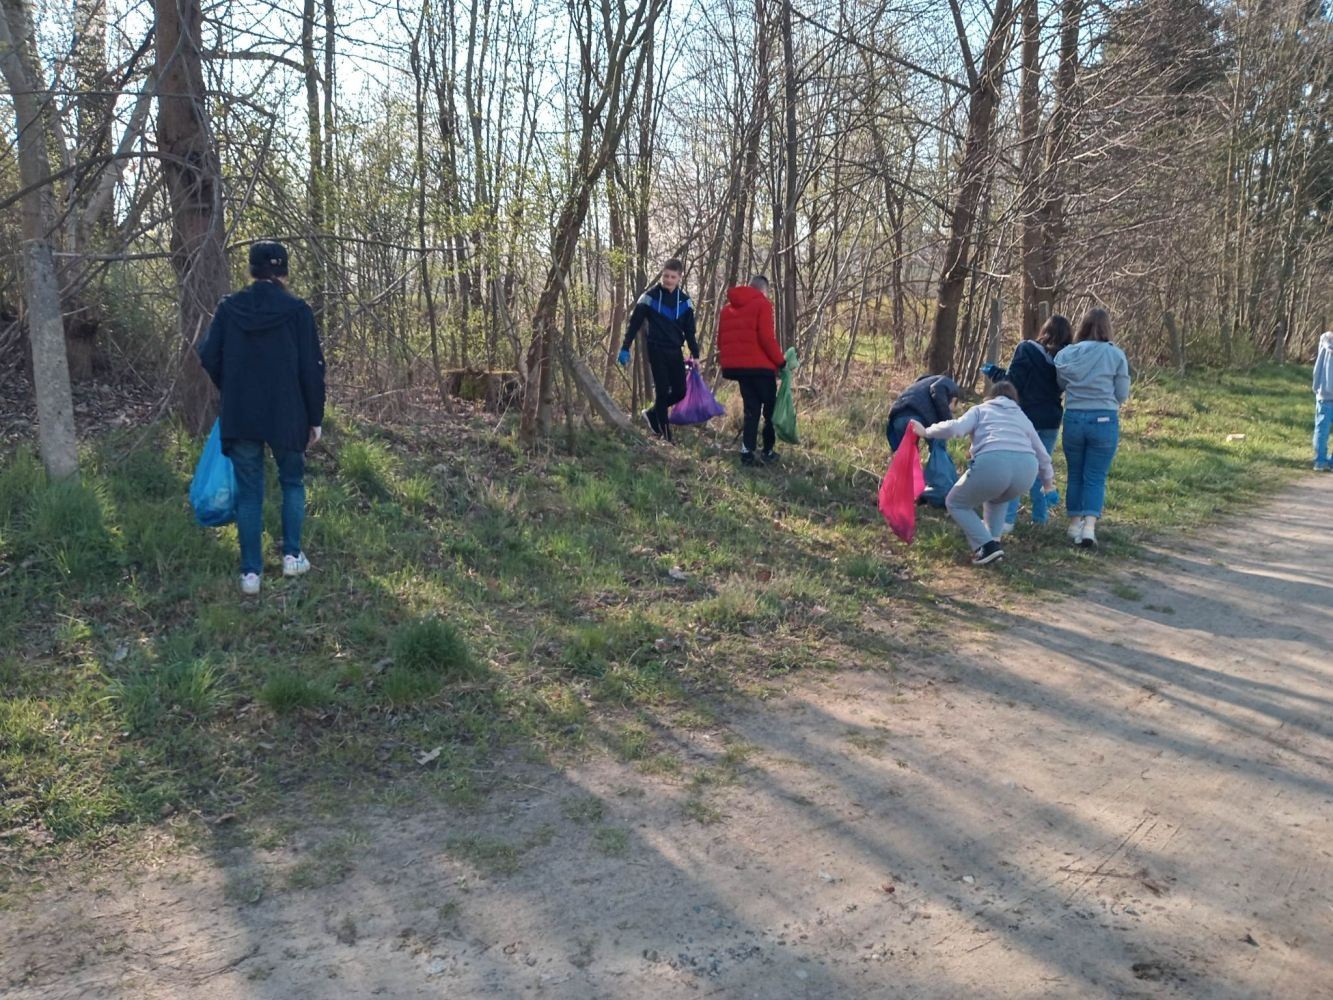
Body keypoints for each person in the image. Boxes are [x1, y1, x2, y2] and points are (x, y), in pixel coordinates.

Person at [199, 240, 325, 595]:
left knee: (250, 493)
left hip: (241, 415)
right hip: (288, 414)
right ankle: (292, 557)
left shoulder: (229, 309)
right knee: (292, 483)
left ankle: (251, 575)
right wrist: (315, 418)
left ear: (252, 270)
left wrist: (232, 385)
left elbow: (209, 355)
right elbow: (312, 370)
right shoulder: (298, 312)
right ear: (283, 272)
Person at [909, 382, 1056, 565]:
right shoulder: (1022, 417)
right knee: (998, 498)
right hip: (1026, 470)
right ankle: (994, 542)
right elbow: (1042, 454)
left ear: (990, 396)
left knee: (955, 502)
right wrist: (1048, 483)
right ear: (1014, 400)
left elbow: (956, 428)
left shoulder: (981, 410)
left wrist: (927, 431)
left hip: (994, 462)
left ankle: (986, 546)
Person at [982, 315, 1074, 533]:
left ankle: (1007, 521)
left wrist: (995, 373)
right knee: (1042, 467)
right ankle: (1040, 518)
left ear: (1045, 331)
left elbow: (1013, 382)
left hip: (1026, 418)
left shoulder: (1026, 349)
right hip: (1051, 419)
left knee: (1016, 469)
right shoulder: (1065, 360)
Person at [1054, 307, 1131, 549]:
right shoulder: (1116, 355)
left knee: (1075, 473)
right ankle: (1089, 528)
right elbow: (1122, 394)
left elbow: (1061, 384)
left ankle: (1073, 524)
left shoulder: (1068, 354)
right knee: (1095, 476)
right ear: (1107, 328)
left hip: (1074, 417)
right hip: (1104, 419)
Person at [617, 258, 700, 440]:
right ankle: (665, 434)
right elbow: (634, 324)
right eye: (665, 276)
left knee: (680, 391)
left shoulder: (685, 302)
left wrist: (696, 354)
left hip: (675, 350)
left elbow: (690, 331)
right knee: (662, 391)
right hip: (655, 349)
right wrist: (625, 347)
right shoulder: (649, 297)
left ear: (679, 277)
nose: (668, 280)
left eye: (672, 277)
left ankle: (653, 413)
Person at [717, 274, 786, 465]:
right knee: (770, 408)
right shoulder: (763, 305)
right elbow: (766, 338)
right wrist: (781, 362)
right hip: (761, 368)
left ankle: (747, 451)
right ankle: (768, 450)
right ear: (764, 291)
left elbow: (720, 341)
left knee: (751, 409)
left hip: (739, 369)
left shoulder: (727, 309)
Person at [886, 374, 960, 451]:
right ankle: (939, 463)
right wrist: (948, 422)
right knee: (938, 444)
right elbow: (937, 389)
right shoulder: (949, 384)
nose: (950, 412)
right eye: (952, 411)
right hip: (916, 417)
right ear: (954, 400)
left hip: (897, 418)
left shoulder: (921, 385)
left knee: (905, 456)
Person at [1313, 330, 1333, 471]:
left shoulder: (1325, 339)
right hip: (1324, 394)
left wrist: (1316, 386)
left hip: (1324, 392)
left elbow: (1318, 367)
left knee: (1321, 429)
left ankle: (1320, 461)